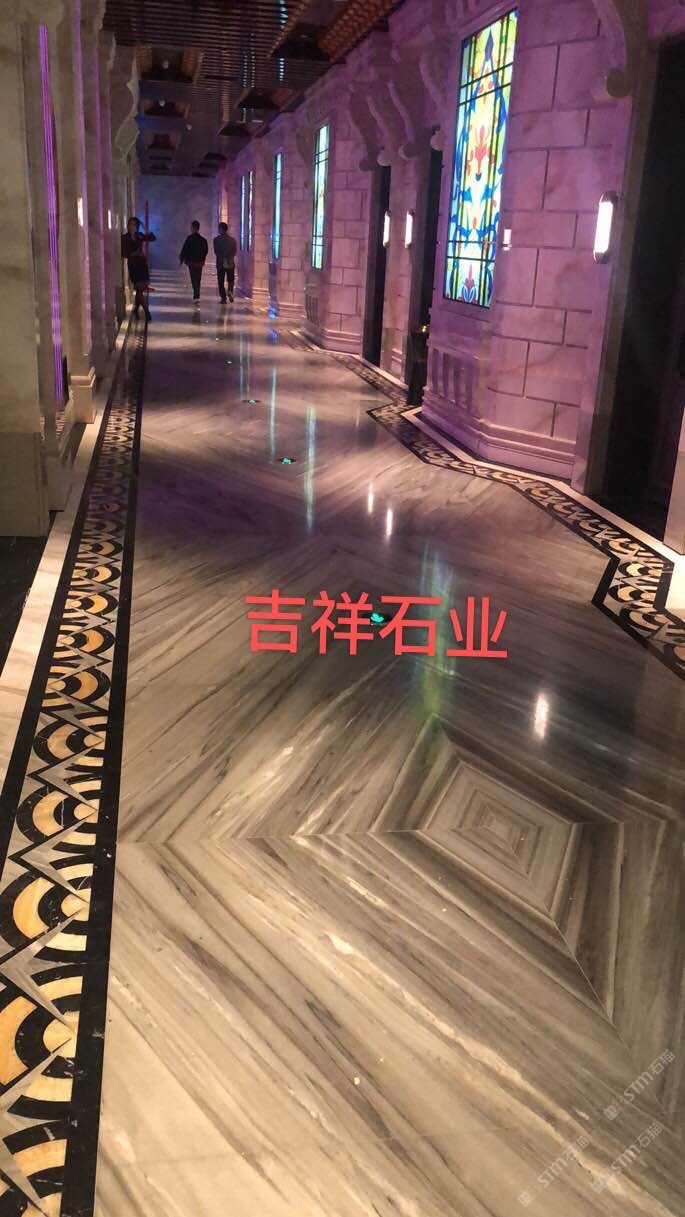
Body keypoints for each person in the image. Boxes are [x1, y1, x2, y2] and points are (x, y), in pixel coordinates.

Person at [121, 217, 156, 321]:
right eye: (130, 224)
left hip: (141, 264)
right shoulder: (124, 238)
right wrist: (134, 253)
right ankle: (147, 312)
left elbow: (152, 238)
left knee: (139, 289)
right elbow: (124, 253)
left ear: (137, 226)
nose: (131, 227)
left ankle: (136, 309)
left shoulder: (139, 235)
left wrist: (144, 226)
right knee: (139, 288)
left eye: (134, 225)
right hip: (133, 265)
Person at [179, 220, 209, 301]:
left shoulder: (189, 238)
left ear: (193, 228)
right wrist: (202, 258)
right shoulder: (203, 240)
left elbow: (185, 249)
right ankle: (197, 293)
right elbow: (206, 251)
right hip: (199, 262)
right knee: (198, 278)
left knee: (193, 278)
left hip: (191, 262)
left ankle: (196, 294)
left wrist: (182, 259)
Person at [213, 221, 237, 304]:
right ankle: (230, 291)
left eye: (219, 228)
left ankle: (223, 298)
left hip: (220, 262)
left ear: (221, 229)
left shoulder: (216, 240)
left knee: (221, 281)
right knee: (230, 279)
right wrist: (229, 258)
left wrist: (222, 258)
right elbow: (234, 251)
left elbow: (216, 251)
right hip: (230, 262)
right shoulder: (232, 240)